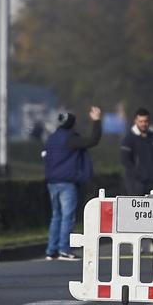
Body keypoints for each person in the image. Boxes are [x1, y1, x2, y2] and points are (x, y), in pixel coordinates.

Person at [42, 105, 103, 261]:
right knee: (67, 216)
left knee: (56, 216)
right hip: (67, 182)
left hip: (52, 181)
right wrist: (96, 121)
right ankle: (64, 249)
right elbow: (92, 141)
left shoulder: (52, 138)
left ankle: (51, 250)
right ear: (72, 124)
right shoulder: (71, 139)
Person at [119, 107, 153, 195]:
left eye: (146, 121)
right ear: (135, 121)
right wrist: (138, 174)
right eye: (141, 121)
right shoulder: (128, 139)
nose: (143, 124)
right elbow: (125, 160)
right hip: (135, 184)